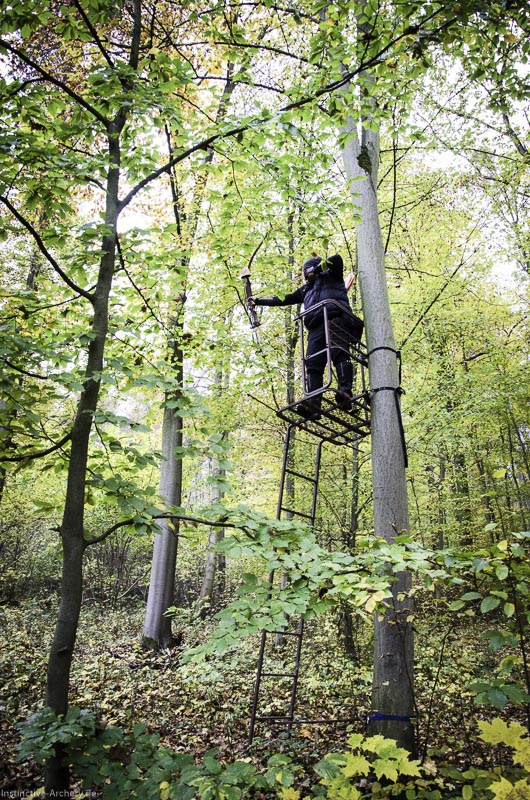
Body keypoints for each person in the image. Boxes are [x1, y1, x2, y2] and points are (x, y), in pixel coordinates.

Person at [250, 254, 363, 417]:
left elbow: (337, 259)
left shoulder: (332, 276)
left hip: (336, 318)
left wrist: (316, 269)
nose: (305, 277)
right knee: (313, 363)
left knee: (340, 354)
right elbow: (283, 299)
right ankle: (313, 404)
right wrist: (258, 300)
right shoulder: (305, 290)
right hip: (315, 326)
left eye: (306, 272)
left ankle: (345, 394)